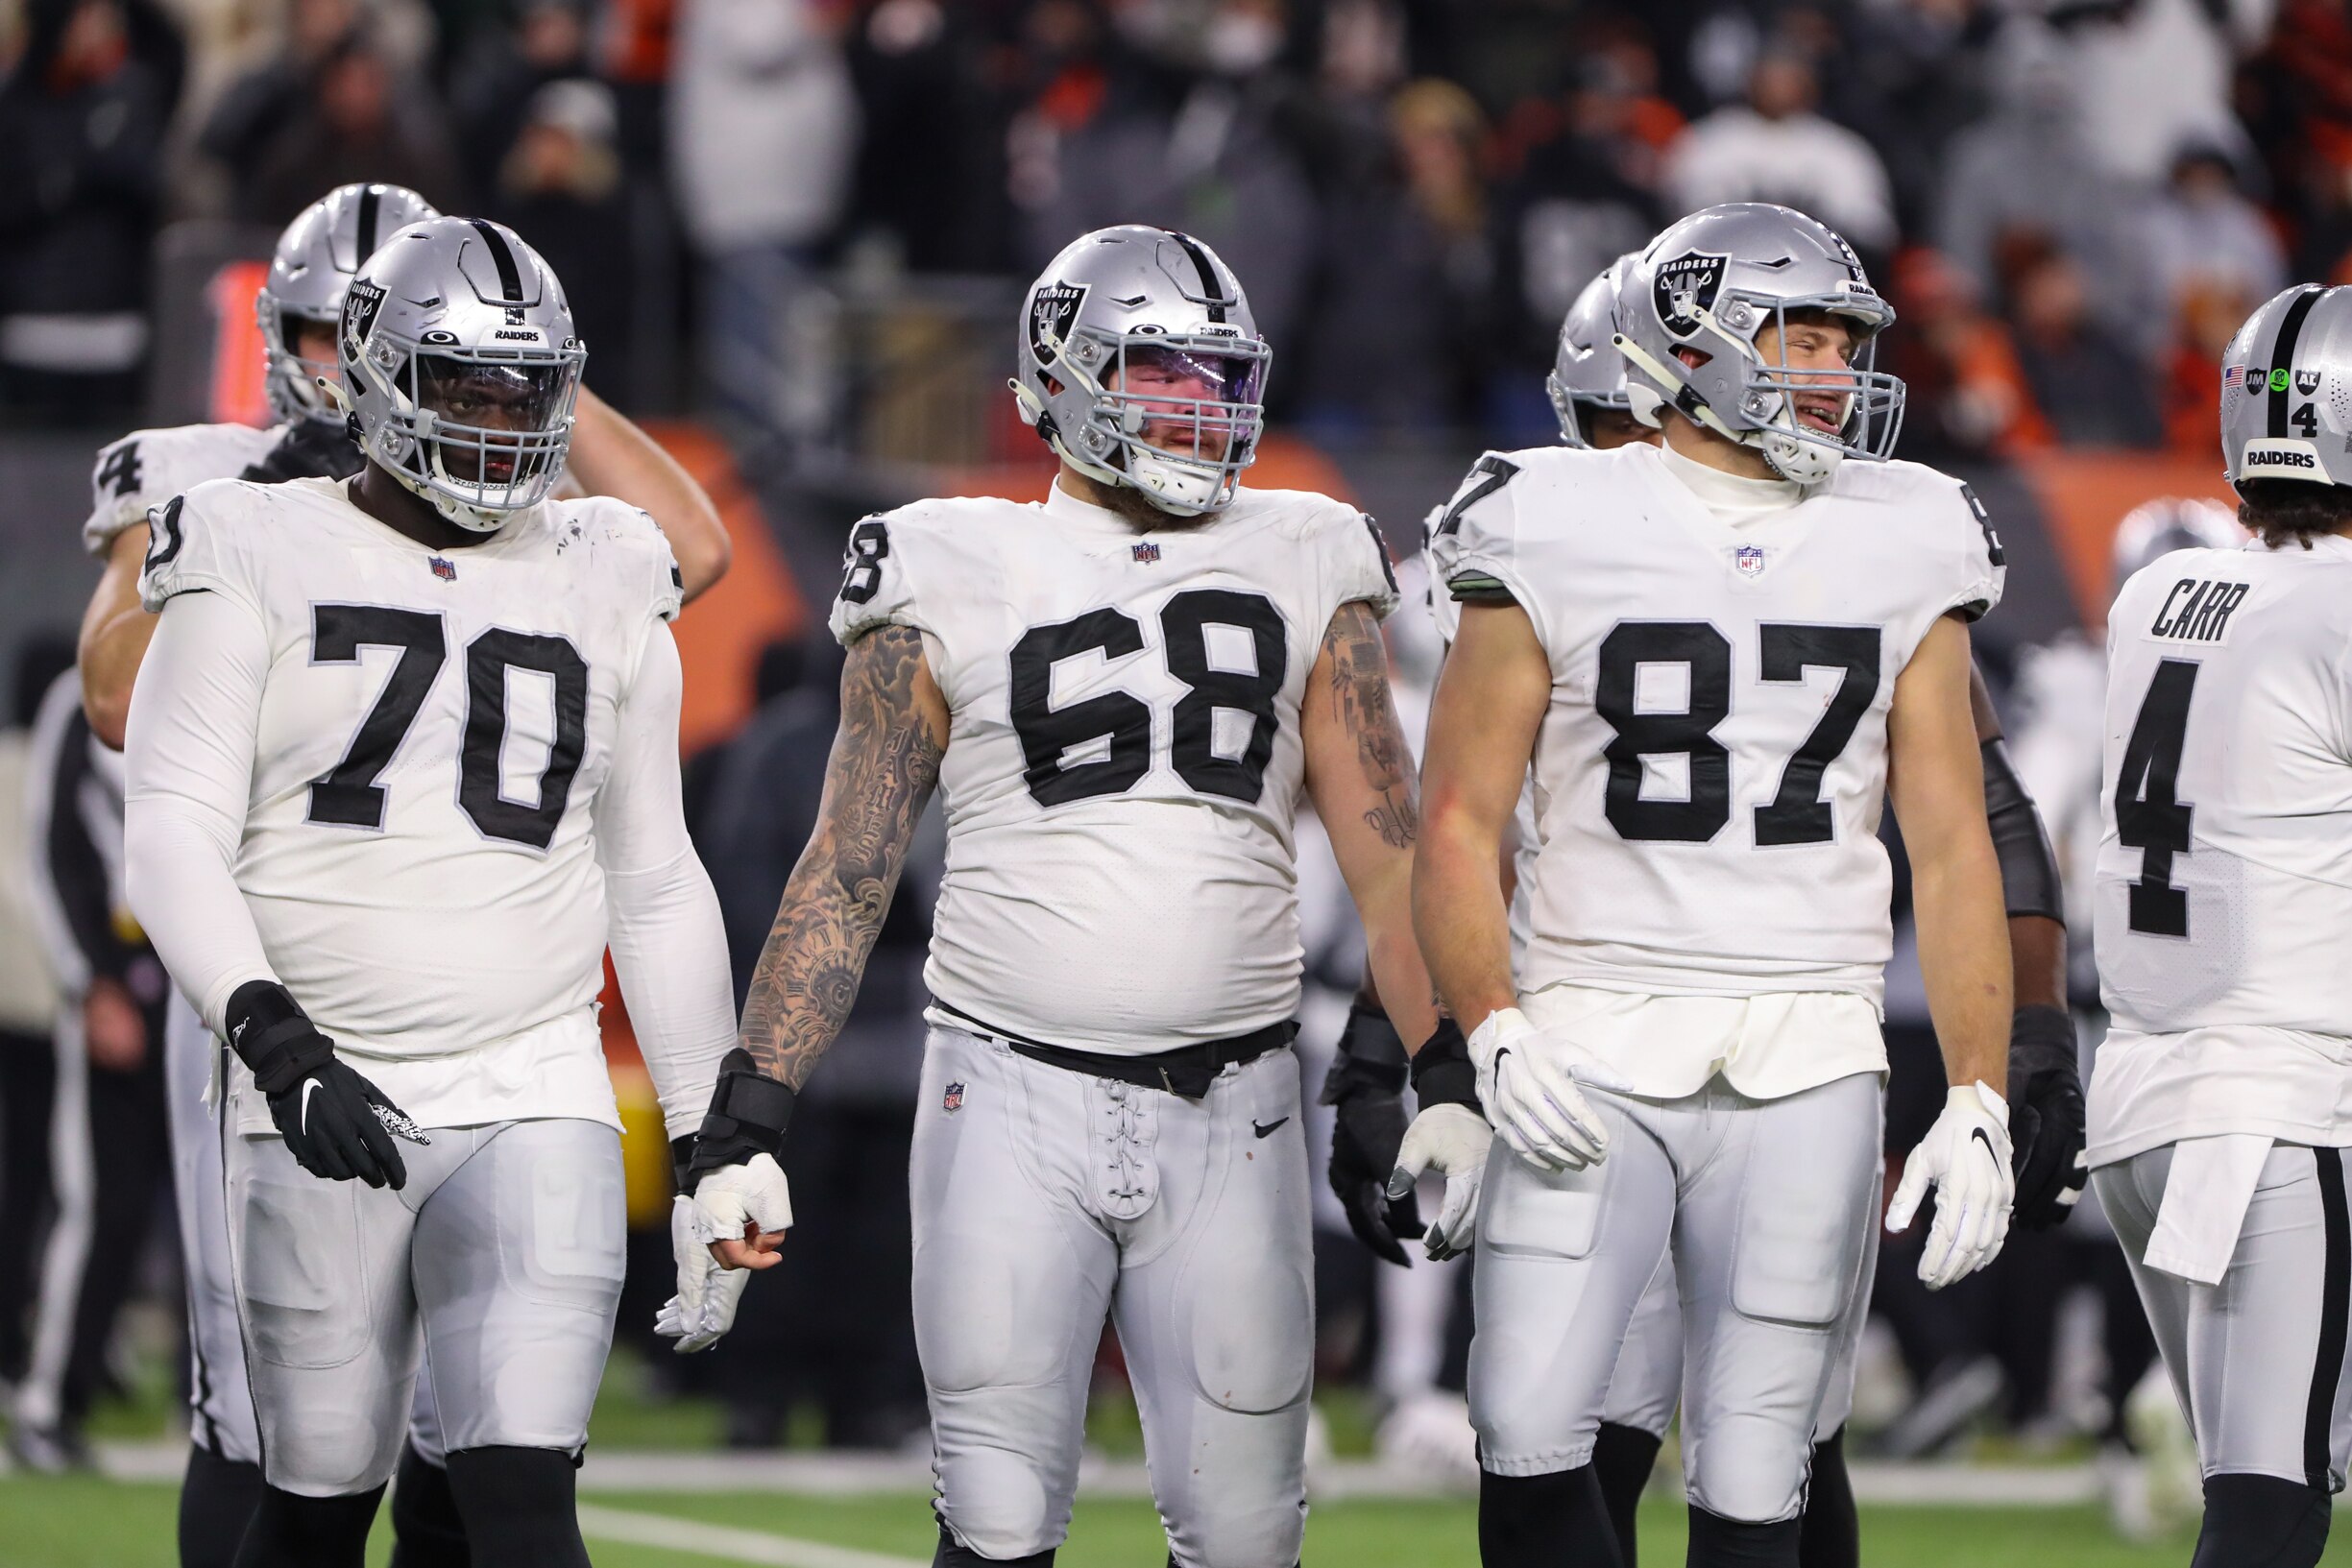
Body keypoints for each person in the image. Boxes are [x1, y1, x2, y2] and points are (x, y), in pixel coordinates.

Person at [670, 224, 1450, 1568]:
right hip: (1005, 1093)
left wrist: (1396, 1065)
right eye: (1158, 371)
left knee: (1248, 1533)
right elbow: (848, 866)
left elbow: (1390, 850)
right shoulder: (942, 554)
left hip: (1238, 1103)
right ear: (1058, 380)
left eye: (1215, 378)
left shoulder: (1308, 547)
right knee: (994, 1520)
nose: (1194, 408)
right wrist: (747, 1113)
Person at [1362, 251, 2079, 1567]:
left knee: (1765, 1473)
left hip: (1810, 1035)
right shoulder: (1544, 514)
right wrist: (1483, 1035)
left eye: (1840, 344)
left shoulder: (1902, 525)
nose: (1834, 373)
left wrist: (1979, 1086)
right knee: (1523, 1436)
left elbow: (1956, 833)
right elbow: (1457, 821)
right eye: (1800, 339)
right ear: (1691, 347)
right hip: (1585, 1029)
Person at [71, 181, 728, 1568]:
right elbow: (132, 728)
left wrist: (714, 1127)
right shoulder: (226, 504)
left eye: (522, 389)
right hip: (296, 1036)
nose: (495, 420)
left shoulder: (595, 558)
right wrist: (270, 1027)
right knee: (289, 1465)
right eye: (462, 380)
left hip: (529, 1070)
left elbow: (659, 859)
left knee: (508, 1473)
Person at [2087, 281, 2352, 1568]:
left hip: (2145, 1103)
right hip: (2281, 1110)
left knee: (2272, 1476)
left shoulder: (2163, 593)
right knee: (2272, 1502)